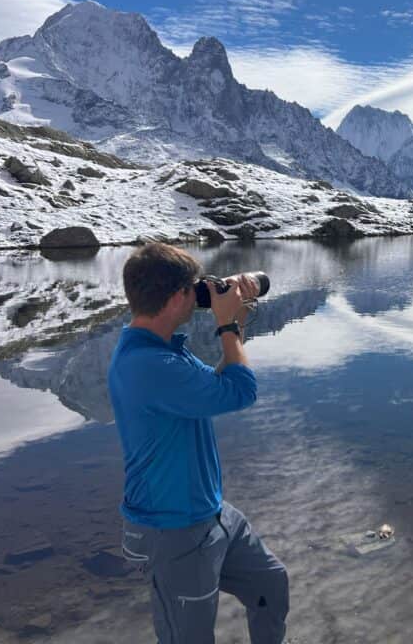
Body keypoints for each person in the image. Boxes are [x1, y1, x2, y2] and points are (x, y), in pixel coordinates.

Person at [109, 242, 289, 644]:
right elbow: (239, 392)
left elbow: (213, 387)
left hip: (209, 511)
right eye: (195, 288)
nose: (202, 293)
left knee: (270, 585)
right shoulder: (149, 364)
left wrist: (236, 325)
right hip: (172, 528)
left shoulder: (159, 349)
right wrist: (226, 328)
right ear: (177, 298)